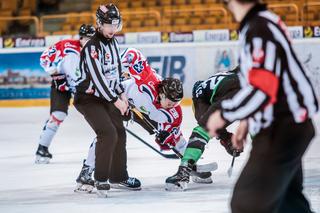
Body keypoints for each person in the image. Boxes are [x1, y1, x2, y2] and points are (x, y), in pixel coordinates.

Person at [207, 0, 319, 212]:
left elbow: (263, 87)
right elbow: (269, 83)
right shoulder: (261, 24)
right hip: (288, 126)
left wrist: (223, 113)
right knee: (289, 204)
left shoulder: (259, 28)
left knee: (247, 203)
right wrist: (247, 122)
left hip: (282, 129)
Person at [75, 48, 190, 192]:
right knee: (108, 134)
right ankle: (86, 171)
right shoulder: (147, 81)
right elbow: (132, 53)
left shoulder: (173, 112)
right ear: (161, 93)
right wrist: (116, 71)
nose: (172, 106)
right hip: (120, 100)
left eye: (176, 103)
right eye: (170, 101)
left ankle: (189, 163)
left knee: (176, 138)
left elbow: (172, 132)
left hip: (140, 109)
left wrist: (165, 138)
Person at [74, 4, 140, 197]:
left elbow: (116, 73)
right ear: (99, 24)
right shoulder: (92, 47)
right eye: (108, 25)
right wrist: (115, 99)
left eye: (115, 25)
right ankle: (100, 178)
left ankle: (118, 176)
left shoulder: (113, 43)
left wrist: (122, 94)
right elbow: (98, 78)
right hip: (88, 99)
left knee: (120, 132)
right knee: (108, 133)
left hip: (107, 96)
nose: (112, 29)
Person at [165, 67, 243, 190]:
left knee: (204, 128)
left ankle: (183, 173)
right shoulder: (227, 77)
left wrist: (226, 138)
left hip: (236, 90)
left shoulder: (201, 98)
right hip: (247, 87)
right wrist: (227, 138)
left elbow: (205, 128)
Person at [35, 24, 95, 164]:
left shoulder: (96, 51)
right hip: (61, 85)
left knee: (98, 115)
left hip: (81, 89)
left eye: (92, 39)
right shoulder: (66, 45)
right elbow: (44, 57)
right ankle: (42, 148)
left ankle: (106, 145)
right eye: (86, 39)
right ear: (80, 38)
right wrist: (55, 73)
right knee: (58, 115)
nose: (89, 42)